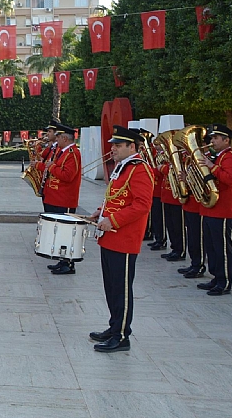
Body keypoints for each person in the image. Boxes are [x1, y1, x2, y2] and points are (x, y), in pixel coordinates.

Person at [88, 125, 154, 352]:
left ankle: (122, 335)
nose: (113, 148)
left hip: (124, 237)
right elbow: (116, 197)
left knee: (122, 289)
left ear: (132, 146)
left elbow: (142, 205)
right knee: (112, 286)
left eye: (118, 145)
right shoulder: (122, 167)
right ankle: (114, 326)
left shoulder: (140, 169)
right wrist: (101, 211)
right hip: (110, 236)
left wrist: (113, 221)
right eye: (113, 145)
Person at [197, 124, 232, 296]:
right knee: (212, 246)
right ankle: (216, 277)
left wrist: (211, 166)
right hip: (211, 207)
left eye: (216, 138)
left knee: (221, 247)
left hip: (222, 209)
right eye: (213, 138)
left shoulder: (230, 157)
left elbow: (229, 180)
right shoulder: (219, 156)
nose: (212, 141)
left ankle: (225, 282)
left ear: (226, 140)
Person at [34, 123, 82, 275]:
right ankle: (62, 260)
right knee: (60, 232)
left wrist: (51, 167)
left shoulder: (73, 153)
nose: (56, 139)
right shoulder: (62, 151)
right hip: (55, 197)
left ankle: (68, 263)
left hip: (64, 199)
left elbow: (68, 176)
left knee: (67, 232)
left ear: (65, 138)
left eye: (59, 137)